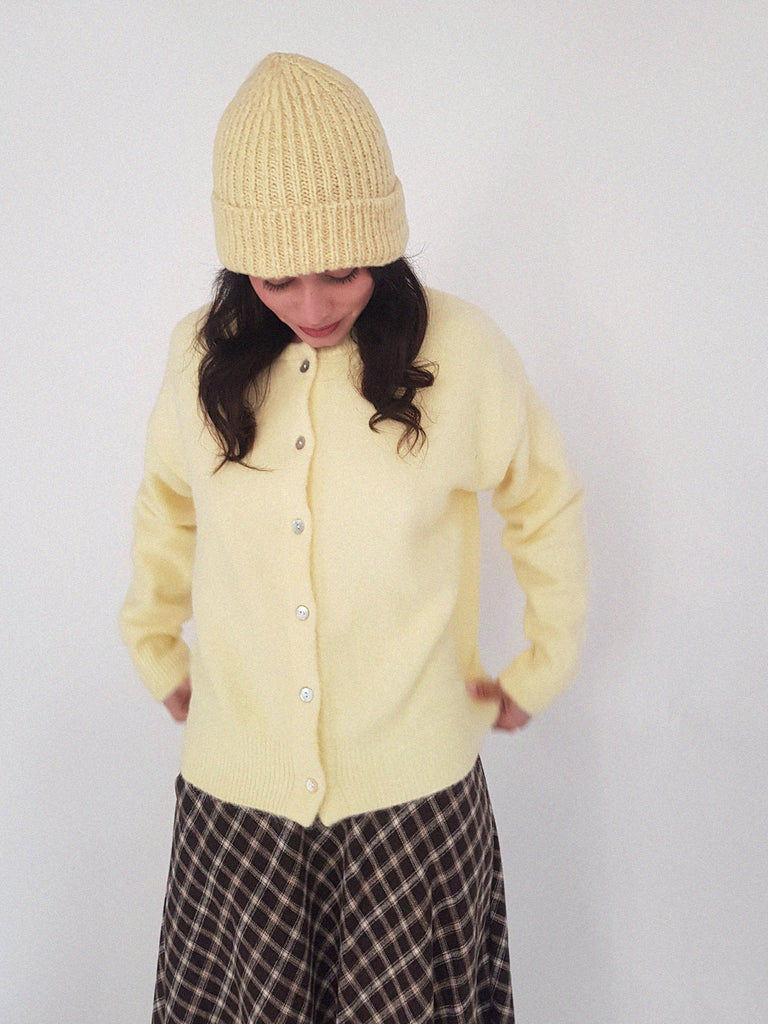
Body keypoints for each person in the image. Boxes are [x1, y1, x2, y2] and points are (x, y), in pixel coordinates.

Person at [120, 52, 588, 1024]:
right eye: (278, 278)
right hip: (238, 803)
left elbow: (542, 498)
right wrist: (154, 641)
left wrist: (541, 665)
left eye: (341, 270)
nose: (315, 305)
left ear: (384, 241)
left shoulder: (461, 351)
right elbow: (167, 502)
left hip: (414, 807)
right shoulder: (198, 357)